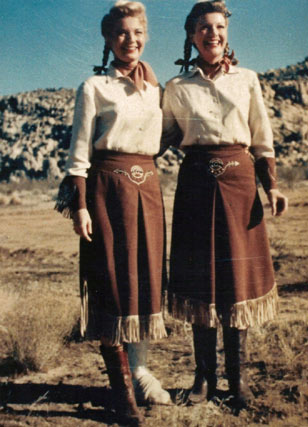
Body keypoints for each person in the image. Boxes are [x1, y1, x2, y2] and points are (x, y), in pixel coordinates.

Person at [162, 0, 288, 409]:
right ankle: (203, 380)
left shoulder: (247, 80)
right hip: (196, 188)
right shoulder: (176, 88)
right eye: (203, 27)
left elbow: (262, 138)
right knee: (202, 283)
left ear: (226, 33)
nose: (212, 33)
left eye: (218, 26)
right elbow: (157, 139)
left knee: (236, 284)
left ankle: (239, 381)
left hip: (239, 185)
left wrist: (272, 187)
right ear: (191, 35)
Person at [55, 1, 171, 424]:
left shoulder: (156, 87)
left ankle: (141, 372)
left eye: (137, 32)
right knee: (111, 283)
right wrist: (80, 205)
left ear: (146, 35)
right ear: (108, 38)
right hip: (106, 192)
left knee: (145, 282)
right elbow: (78, 153)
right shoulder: (93, 87)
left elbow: (169, 134)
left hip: (150, 192)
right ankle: (121, 390)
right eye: (121, 33)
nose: (131, 40)